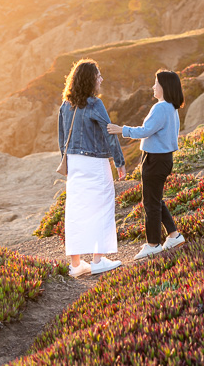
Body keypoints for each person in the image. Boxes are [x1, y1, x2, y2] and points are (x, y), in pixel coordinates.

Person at [58, 58, 127, 277]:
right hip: (95, 162)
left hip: (75, 163)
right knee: (103, 205)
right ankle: (98, 260)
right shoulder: (95, 104)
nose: (101, 79)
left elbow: (62, 138)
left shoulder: (65, 106)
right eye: (98, 76)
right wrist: (119, 162)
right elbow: (110, 133)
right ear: (90, 80)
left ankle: (76, 264)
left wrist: (66, 161)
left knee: (76, 210)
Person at [108, 69, 185, 260]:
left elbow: (145, 131)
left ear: (164, 86)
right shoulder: (171, 107)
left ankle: (153, 244)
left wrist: (121, 129)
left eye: (156, 83)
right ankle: (174, 235)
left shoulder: (161, 107)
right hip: (164, 159)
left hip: (155, 159)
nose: (153, 86)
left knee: (151, 202)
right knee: (155, 199)